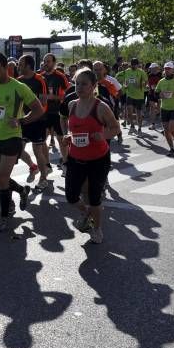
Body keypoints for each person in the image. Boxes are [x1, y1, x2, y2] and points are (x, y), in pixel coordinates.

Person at [0, 52, 45, 232]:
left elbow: (38, 109)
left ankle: (4, 216)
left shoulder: (19, 87)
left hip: (12, 138)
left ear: (7, 68)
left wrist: (21, 121)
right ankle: (21, 190)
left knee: (2, 177)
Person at [63, 68, 120, 244]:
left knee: (95, 197)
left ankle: (97, 228)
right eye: (77, 83)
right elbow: (73, 128)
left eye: (84, 84)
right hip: (75, 157)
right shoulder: (72, 104)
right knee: (71, 196)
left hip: (98, 159)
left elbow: (116, 128)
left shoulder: (101, 107)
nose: (79, 87)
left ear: (94, 86)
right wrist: (68, 137)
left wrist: (103, 134)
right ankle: (87, 213)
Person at [17, 55, 50, 191]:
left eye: (20, 64)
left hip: (38, 121)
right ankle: (33, 167)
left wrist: (33, 117)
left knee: (37, 150)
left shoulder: (40, 80)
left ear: (29, 66)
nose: (18, 66)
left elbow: (43, 103)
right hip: (22, 121)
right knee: (18, 148)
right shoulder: (18, 81)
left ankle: (43, 178)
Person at [41, 53, 70, 154]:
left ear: (54, 63)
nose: (46, 64)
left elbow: (69, 94)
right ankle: (46, 164)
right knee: (41, 141)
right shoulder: (40, 77)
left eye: (48, 61)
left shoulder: (60, 76)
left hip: (58, 111)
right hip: (44, 112)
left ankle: (66, 161)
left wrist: (55, 97)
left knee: (61, 139)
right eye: (44, 61)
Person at [155, 61, 174, 156]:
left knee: (172, 127)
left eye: (169, 69)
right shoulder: (161, 81)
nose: (167, 70)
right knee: (166, 130)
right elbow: (156, 93)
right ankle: (172, 149)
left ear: (173, 70)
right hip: (164, 108)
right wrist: (160, 94)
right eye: (165, 69)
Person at [122, 58, 148, 135]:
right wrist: (125, 85)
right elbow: (125, 81)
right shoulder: (127, 71)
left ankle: (139, 128)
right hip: (129, 94)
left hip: (139, 95)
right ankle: (132, 127)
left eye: (135, 64)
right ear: (131, 64)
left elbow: (146, 82)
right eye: (132, 64)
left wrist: (140, 84)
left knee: (138, 113)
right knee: (129, 111)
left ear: (138, 64)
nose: (134, 66)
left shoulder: (141, 72)